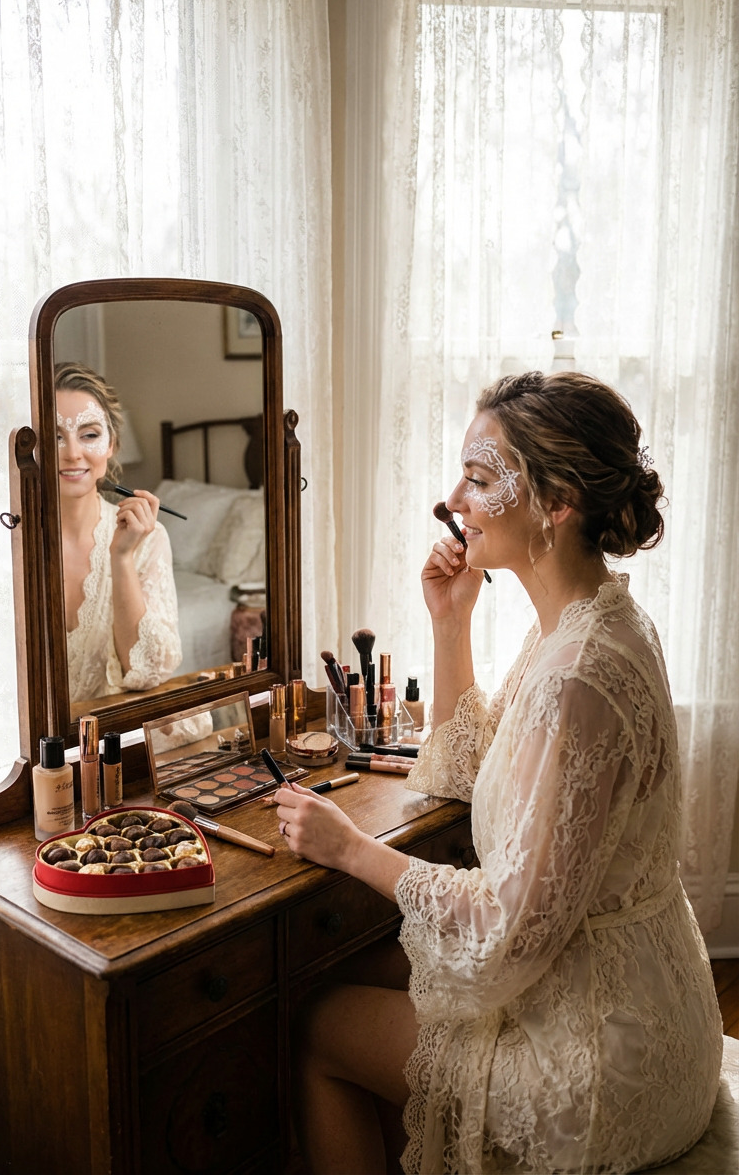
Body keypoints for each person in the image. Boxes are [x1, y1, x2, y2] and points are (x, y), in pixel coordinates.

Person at [274, 371, 723, 1175]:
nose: (454, 498)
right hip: (653, 1005)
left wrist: (349, 850)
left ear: (556, 503)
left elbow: (510, 924)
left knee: (319, 1025)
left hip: (605, 1066)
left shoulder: (579, 673)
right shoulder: (590, 620)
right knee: (365, 967)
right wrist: (452, 624)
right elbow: (470, 771)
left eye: (480, 479)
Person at [55, 361, 182, 701]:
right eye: (55, 436)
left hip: (116, 742)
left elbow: (149, 671)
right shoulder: (6, 544)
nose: (72, 453)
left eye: (90, 434)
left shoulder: (150, 538)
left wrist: (122, 556)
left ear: (111, 444)